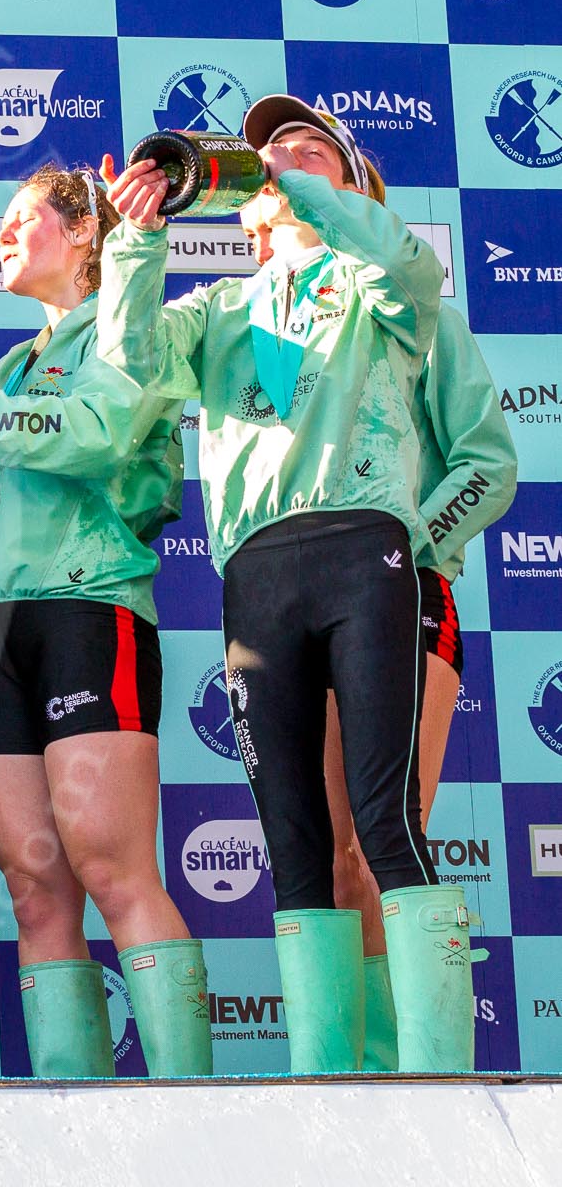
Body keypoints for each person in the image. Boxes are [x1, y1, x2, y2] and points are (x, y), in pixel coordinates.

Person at [95, 96, 475, 1073]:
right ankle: (326, 1082)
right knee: (297, 842)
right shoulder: (216, 307)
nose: (280, 163)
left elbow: (410, 269)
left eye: (310, 153)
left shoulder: (373, 285)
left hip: (365, 547)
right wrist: (135, 239)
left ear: (346, 185)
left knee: (385, 820)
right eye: (267, 157)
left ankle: (437, 1085)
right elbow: (127, 367)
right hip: (256, 570)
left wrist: (304, 188)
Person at [0, 165, 209, 1078]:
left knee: (114, 871)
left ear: (83, 236)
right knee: (34, 889)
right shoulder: (3, 364)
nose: (5, 233)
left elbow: (95, 436)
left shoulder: (121, 333)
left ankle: (198, 1112)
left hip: (85, 609)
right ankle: (77, 1117)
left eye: (27, 218)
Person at [237, 200, 517, 1072]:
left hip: (402, 584)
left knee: (382, 832)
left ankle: (424, 1087)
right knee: (324, 853)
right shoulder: (250, 326)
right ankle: (346, 1088)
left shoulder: (418, 315)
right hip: (293, 589)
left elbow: (489, 463)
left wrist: (403, 539)